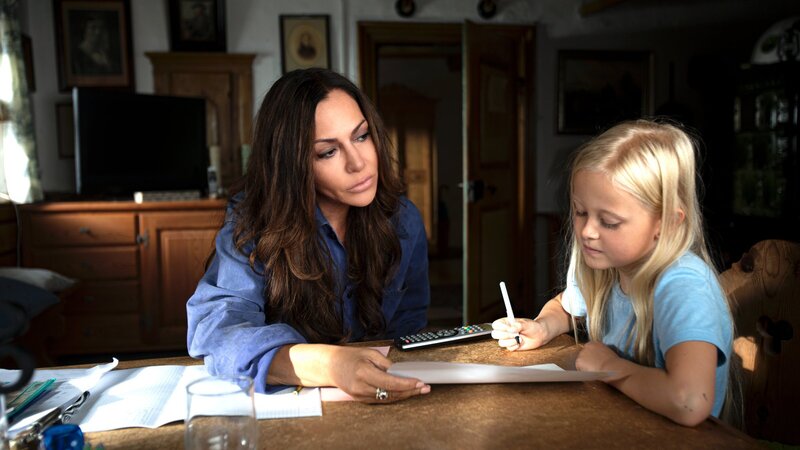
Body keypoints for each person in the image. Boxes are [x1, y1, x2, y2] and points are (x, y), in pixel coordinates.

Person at [187, 68, 431, 403]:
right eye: (328, 152)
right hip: (292, 408)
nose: (358, 163)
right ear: (292, 164)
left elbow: (410, 325)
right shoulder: (253, 225)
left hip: (386, 401)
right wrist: (330, 365)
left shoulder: (404, 220)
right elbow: (218, 333)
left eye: (361, 136)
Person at [491, 119, 733, 426]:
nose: (588, 231)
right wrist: (542, 327)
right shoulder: (606, 267)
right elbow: (564, 308)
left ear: (668, 223)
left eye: (610, 222)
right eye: (580, 212)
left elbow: (689, 402)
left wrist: (610, 367)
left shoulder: (684, 285)